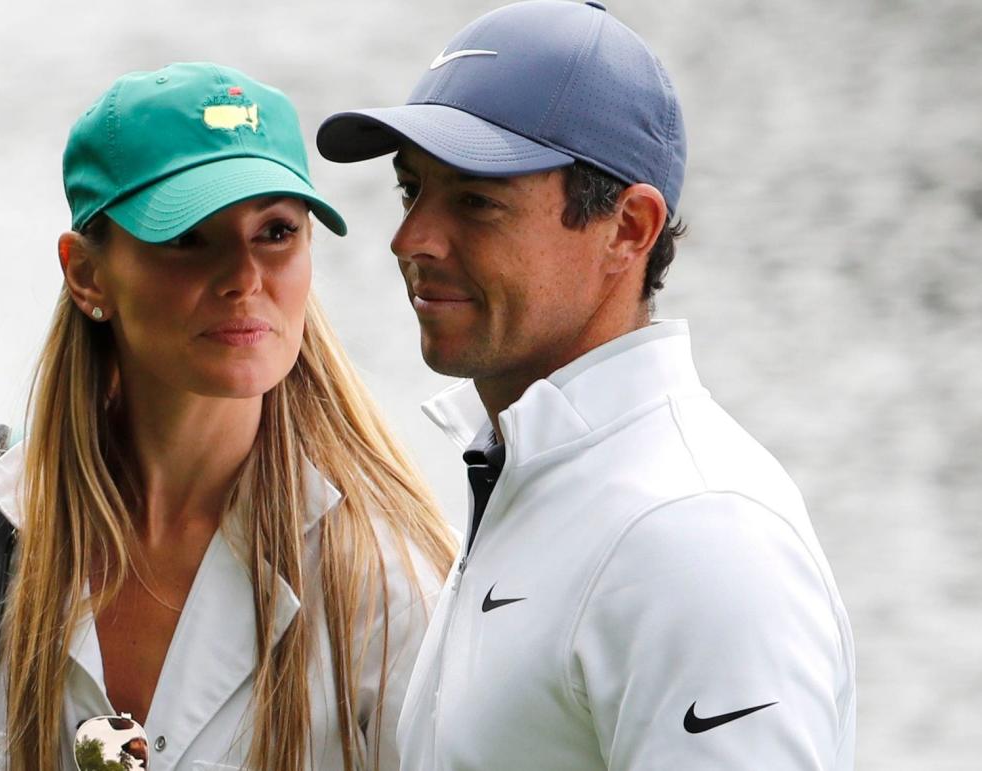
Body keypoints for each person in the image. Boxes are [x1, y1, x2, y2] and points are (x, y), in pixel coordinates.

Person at [0, 62, 456, 771]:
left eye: (276, 232)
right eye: (188, 237)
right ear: (87, 273)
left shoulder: (383, 577)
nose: (244, 277)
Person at [316, 1, 856, 769]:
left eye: (475, 200)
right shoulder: (537, 477)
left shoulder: (696, 536)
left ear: (629, 228)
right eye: (412, 192)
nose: (411, 239)